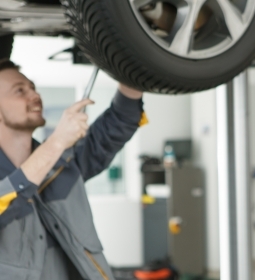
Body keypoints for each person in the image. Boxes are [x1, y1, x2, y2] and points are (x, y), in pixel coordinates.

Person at [0, 59, 146, 280]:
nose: (34, 95)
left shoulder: (64, 163)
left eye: (33, 87)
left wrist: (132, 61)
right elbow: (8, 198)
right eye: (20, 91)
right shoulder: (57, 149)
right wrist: (57, 141)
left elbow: (119, 122)